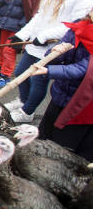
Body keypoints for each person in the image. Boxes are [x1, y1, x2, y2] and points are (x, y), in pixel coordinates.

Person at [6, 0, 93, 123]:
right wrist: (22, 35)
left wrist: (45, 36)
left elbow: (73, 26)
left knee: (38, 79)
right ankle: (22, 100)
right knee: (21, 72)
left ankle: (27, 111)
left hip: (54, 48)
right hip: (35, 43)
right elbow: (40, 17)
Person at [34, 10, 93, 161]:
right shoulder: (78, 27)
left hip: (82, 105)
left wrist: (49, 70)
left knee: (63, 149)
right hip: (61, 94)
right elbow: (58, 51)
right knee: (43, 136)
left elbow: (83, 69)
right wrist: (55, 52)